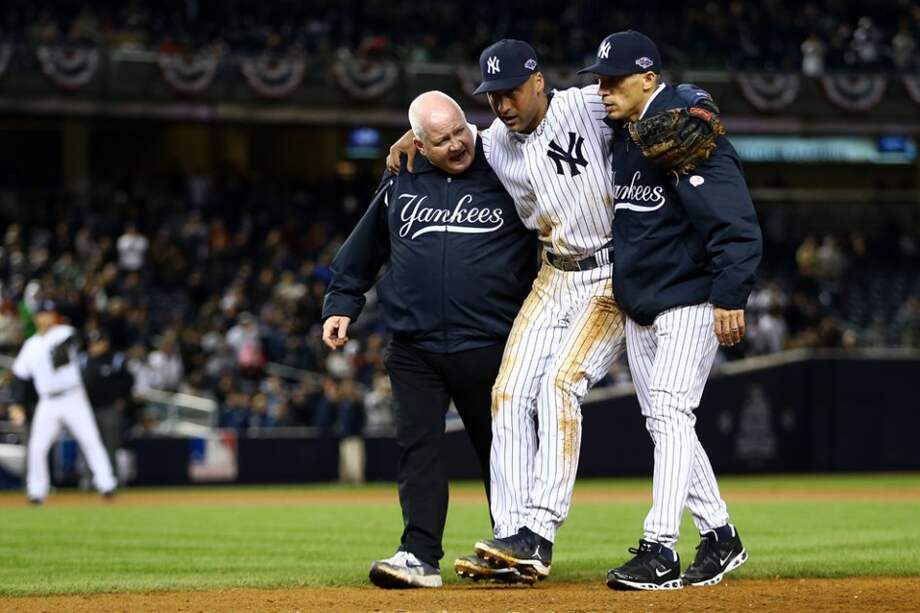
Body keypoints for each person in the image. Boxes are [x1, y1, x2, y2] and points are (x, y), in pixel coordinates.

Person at [390, 40, 715, 583]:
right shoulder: (492, 141)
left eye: (512, 90)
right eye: (492, 95)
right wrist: (412, 136)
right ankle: (511, 536)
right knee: (508, 392)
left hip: (610, 274)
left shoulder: (583, 105)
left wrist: (696, 99)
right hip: (552, 276)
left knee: (559, 387)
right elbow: (451, 136)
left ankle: (538, 534)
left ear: (538, 81)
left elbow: (648, 94)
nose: (502, 104)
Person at [322, 90, 539, 588]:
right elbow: (366, 245)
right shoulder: (401, 176)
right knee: (418, 448)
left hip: (489, 341)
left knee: (500, 451)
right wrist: (341, 304)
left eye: (461, 131)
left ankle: (511, 547)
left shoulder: (505, 163)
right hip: (414, 345)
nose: (457, 145)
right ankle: (419, 556)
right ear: (419, 142)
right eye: (440, 141)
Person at [580, 30, 763, 590]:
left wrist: (731, 294)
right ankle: (721, 534)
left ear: (649, 79)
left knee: (670, 412)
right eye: (600, 80)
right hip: (640, 301)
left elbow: (736, 223)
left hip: (690, 297)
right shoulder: (625, 132)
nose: (604, 90)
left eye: (614, 81)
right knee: (664, 422)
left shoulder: (683, 126)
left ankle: (661, 548)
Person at [9, 300, 117, 504]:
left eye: (50, 313)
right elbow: (19, 377)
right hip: (48, 401)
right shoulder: (30, 345)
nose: (46, 317)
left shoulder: (64, 332)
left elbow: (76, 340)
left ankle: (107, 484)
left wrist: (68, 346)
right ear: (35, 317)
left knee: (91, 440)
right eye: (42, 314)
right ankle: (36, 492)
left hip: (73, 396)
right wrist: (17, 404)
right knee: (37, 447)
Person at [79, 329, 135, 486]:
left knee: (110, 445)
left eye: (98, 343)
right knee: (88, 446)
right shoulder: (83, 360)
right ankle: (87, 480)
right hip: (87, 410)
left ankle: (111, 480)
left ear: (105, 343)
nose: (94, 347)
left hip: (109, 409)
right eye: (92, 343)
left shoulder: (116, 359)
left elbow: (128, 381)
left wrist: (122, 398)